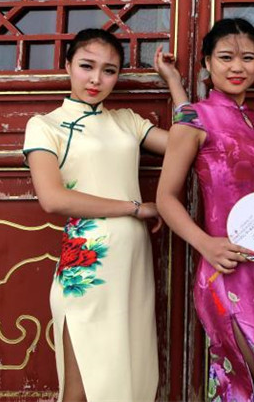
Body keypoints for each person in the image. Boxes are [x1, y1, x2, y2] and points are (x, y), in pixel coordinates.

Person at [23, 28, 188, 402]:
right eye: (86, 66)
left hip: (133, 263)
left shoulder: (126, 121)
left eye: (109, 70)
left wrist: (174, 82)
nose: (96, 79)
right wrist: (135, 208)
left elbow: (189, 140)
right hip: (88, 265)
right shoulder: (44, 125)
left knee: (130, 377)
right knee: (84, 387)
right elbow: (53, 199)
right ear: (67, 66)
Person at [155, 18, 254, 402]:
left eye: (247, 58)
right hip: (224, 271)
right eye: (225, 57)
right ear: (207, 63)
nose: (237, 67)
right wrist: (206, 244)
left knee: (249, 389)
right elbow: (166, 198)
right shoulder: (194, 120)